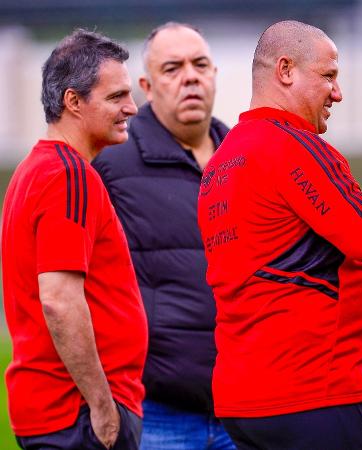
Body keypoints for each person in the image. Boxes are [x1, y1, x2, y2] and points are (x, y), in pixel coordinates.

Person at [197, 20, 362, 449]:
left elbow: (267, 279)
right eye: (328, 75)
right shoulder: (290, 144)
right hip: (314, 399)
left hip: (244, 405)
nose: (338, 92)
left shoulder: (222, 162)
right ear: (286, 70)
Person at [1, 29, 147, 450]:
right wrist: (103, 407)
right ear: (73, 101)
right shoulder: (69, 174)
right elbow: (58, 300)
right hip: (78, 416)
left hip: (58, 414)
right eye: (116, 96)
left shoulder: (36, 170)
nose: (131, 108)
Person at [92, 22, 234, 449]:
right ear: (146, 87)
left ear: (214, 74)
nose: (190, 76)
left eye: (200, 64)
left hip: (248, 407)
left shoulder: (246, 157)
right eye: (172, 68)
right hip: (157, 412)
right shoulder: (111, 163)